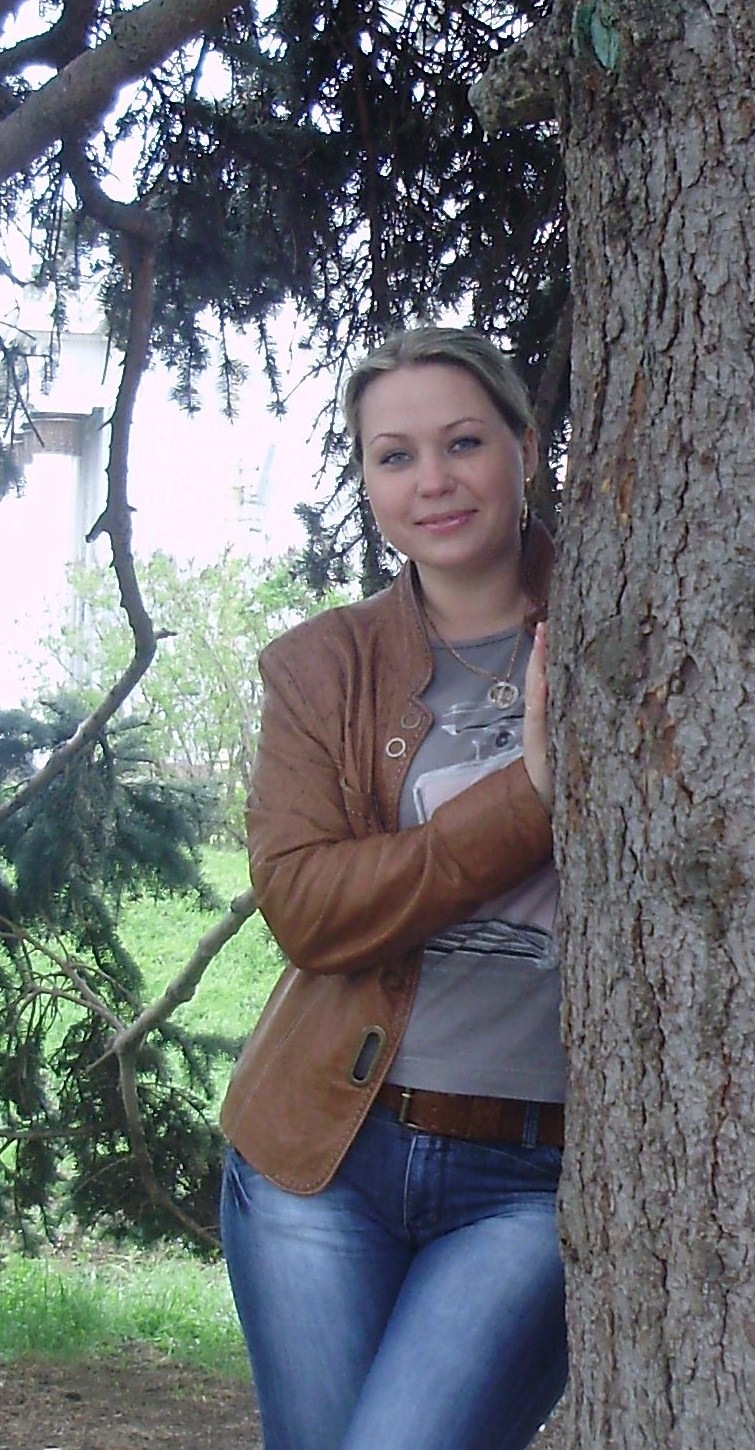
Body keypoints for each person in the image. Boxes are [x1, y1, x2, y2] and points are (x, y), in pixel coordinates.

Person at [218, 325, 566, 1450]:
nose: (434, 481)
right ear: (367, 482)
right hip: (325, 1159)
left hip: (537, 1176)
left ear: (523, 447)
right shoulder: (323, 665)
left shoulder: (622, 624)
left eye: (463, 443)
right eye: (395, 456)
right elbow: (306, 906)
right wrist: (527, 799)